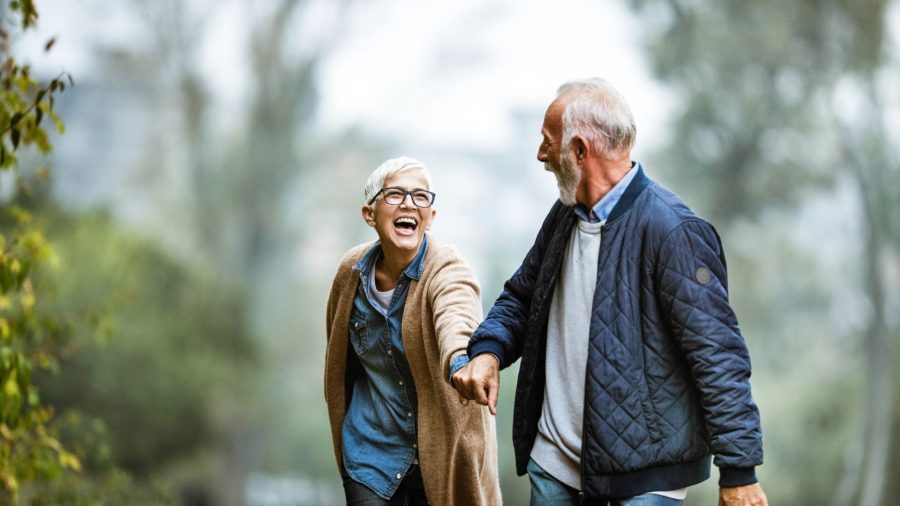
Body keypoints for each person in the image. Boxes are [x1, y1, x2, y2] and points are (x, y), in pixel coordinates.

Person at [452, 79, 768, 506]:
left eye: (548, 142)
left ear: (580, 151)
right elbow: (523, 298)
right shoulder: (563, 216)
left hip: (644, 482)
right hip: (553, 466)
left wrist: (739, 472)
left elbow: (718, 357)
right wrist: (488, 352)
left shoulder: (673, 231)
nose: (540, 155)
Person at [324, 157, 502, 505]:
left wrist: (461, 363)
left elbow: (457, 318)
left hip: (438, 459)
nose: (409, 204)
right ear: (369, 213)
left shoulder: (447, 269)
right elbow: (338, 359)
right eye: (395, 194)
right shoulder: (350, 274)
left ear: (431, 217)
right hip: (369, 456)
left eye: (421, 197)